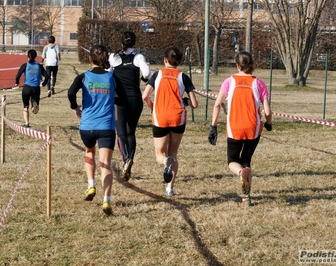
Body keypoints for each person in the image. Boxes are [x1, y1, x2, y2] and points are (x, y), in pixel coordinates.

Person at [68, 44, 128, 216]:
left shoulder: (83, 77)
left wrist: (75, 107)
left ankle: (91, 185)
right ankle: (106, 200)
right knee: (106, 164)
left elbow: (71, 92)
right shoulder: (112, 78)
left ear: (90, 59)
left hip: (87, 126)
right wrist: (110, 100)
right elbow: (123, 98)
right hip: (106, 127)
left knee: (89, 152)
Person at [208, 51, 272, 206]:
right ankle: (246, 197)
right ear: (252, 65)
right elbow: (268, 111)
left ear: (237, 66)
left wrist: (213, 126)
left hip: (235, 127)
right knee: (246, 161)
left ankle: (239, 173)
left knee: (232, 161)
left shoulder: (229, 81)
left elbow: (217, 104)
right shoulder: (259, 83)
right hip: (254, 128)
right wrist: (268, 123)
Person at [142, 47, 198, 196]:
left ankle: (165, 161)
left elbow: (145, 96)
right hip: (177, 118)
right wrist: (184, 101)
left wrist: (152, 107)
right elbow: (194, 104)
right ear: (179, 62)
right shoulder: (183, 77)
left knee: (160, 154)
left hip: (160, 117)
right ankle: (169, 188)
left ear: (165, 60)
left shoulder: (157, 74)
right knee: (174, 153)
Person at [108, 31, 151, 182]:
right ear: (134, 43)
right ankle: (129, 160)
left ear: (121, 42)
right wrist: (142, 78)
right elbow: (147, 73)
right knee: (131, 132)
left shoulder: (114, 57)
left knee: (121, 133)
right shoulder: (138, 57)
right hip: (135, 99)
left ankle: (126, 159)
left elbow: (107, 74)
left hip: (119, 100)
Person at [15, 49, 49, 128]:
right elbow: (46, 76)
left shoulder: (25, 65)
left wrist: (16, 82)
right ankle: (34, 106)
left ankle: (27, 123)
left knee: (25, 106)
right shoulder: (39, 66)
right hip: (36, 88)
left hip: (26, 87)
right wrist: (44, 83)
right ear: (36, 56)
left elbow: (18, 75)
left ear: (27, 56)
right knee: (34, 100)